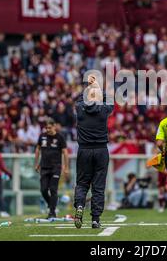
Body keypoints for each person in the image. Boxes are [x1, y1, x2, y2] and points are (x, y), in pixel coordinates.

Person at [73, 75, 114, 229]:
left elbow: (79, 98)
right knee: (98, 186)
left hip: (84, 150)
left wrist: (90, 87)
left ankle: (79, 206)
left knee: (82, 183)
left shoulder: (80, 109)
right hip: (101, 150)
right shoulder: (103, 110)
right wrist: (97, 87)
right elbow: (109, 99)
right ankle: (95, 219)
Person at [34, 118, 69, 219]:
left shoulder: (60, 137)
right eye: (46, 128)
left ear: (54, 126)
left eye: (49, 127)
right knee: (43, 190)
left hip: (56, 167)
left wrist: (66, 167)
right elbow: (37, 150)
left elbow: (65, 152)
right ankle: (51, 204)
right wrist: (36, 163)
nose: (47, 129)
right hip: (44, 167)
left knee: (53, 189)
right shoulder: (42, 136)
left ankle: (52, 212)